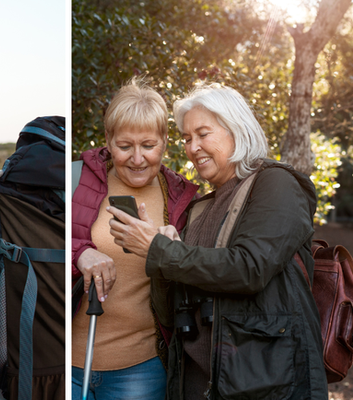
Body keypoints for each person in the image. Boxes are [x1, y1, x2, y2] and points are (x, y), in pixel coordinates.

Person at [108, 83, 328, 399]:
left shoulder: (275, 183)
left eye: (203, 134)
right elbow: (170, 313)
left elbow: (249, 268)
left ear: (236, 129)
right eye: (186, 138)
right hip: (199, 384)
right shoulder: (199, 207)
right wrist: (161, 253)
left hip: (266, 387)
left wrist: (160, 250)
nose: (193, 147)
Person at [71, 79, 199, 400]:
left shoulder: (182, 200)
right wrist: (80, 254)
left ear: (165, 141)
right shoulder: (75, 179)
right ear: (108, 141)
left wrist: (172, 251)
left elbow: (197, 278)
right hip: (67, 362)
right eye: (125, 146)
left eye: (148, 145)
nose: (138, 159)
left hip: (140, 370)